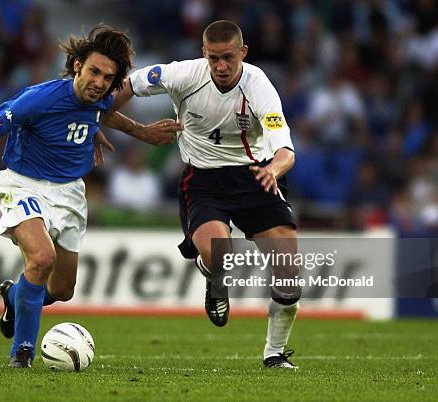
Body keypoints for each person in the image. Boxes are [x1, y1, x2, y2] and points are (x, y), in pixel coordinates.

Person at [0, 25, 181, 368]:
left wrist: (139, 132)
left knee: (63, 290)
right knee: (41, 258)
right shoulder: (38, 99)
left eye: (108, 77)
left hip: (70, 193)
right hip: (23, 184)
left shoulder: (100, 97)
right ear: (77, 65)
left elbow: (104, 112)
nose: (99, 82)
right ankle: (23, 352)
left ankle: (15, 297)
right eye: (94, 71)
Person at [112, 20, 301, 369]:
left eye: (229, 57)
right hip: (204, 180)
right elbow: (127, 85)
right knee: (219, 252)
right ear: (204, 53)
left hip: (256, 176)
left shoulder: (259, 86)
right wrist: (103, 120)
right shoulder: (182, 75)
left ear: (243, 52)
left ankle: (274, 353)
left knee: (289, 275)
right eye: (214, 58)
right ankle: (214, 275)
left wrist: (272, 171)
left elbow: (285, 149)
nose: (221, 66)